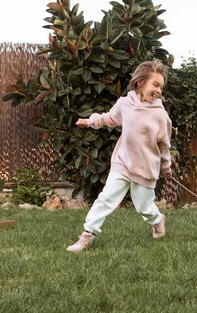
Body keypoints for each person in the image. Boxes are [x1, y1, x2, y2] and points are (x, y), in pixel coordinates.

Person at [66, 60, 172, 253]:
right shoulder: (125, 104)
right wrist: (90, 122)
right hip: (123, 161)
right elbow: (109, 118)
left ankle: (157, 220)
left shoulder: (160, 115)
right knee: (106, 197)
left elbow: (164, 145)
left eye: (161, 87)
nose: (158, 90)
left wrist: (166, 168)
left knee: (143, 207)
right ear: (140, 83)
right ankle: (87, 235)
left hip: (146, 167)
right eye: (155, 84)